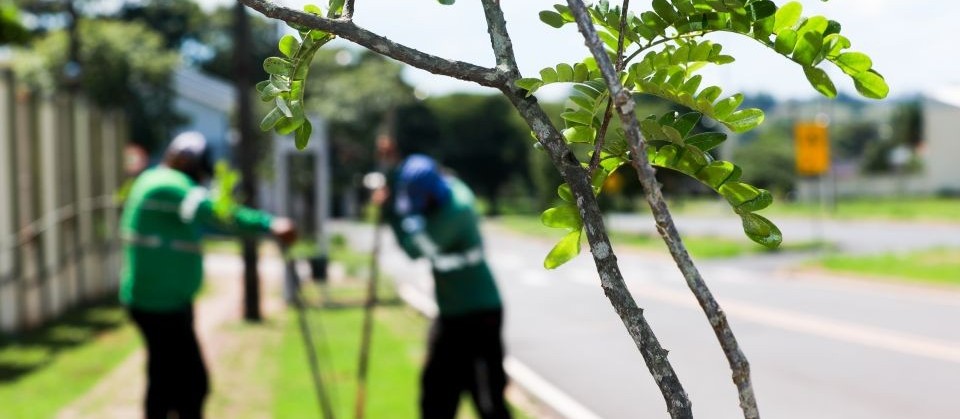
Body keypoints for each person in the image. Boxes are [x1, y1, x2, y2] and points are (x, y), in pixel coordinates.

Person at [119, 131, 296, 419]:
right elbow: (216, 212)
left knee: (166, 380)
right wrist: (269, 224)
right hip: (159, 305)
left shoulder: (159, 183)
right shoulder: (168, 186)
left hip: (164, 302)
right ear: (183, 159)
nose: (198, 178)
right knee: (189, 385)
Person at [373, 133, 511, 419]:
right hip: (452, 313)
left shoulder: (455, 213)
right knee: (436, 397)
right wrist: (390, 164)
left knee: (487, 399)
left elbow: (413, 249)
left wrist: (389, 213)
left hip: (478, 313)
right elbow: (408, 180)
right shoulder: (448, 185)